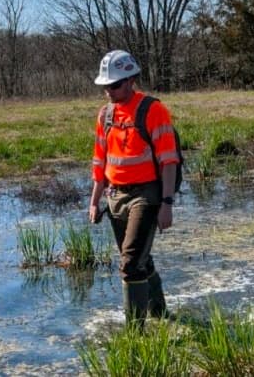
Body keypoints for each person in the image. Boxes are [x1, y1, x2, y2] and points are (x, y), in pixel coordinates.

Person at [88, 50, 179, 329]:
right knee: (140, 258)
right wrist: (94, 202)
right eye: (105, 86)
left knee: (129, 262)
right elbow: (99, 161)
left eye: (114, 85)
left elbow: (169, 161)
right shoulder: (105, 115)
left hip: (147, 195)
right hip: (115, 196)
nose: (109, 91)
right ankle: (160, 314)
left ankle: (135, 335)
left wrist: (166, 203)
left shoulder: (153, 110)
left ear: (130, 80)